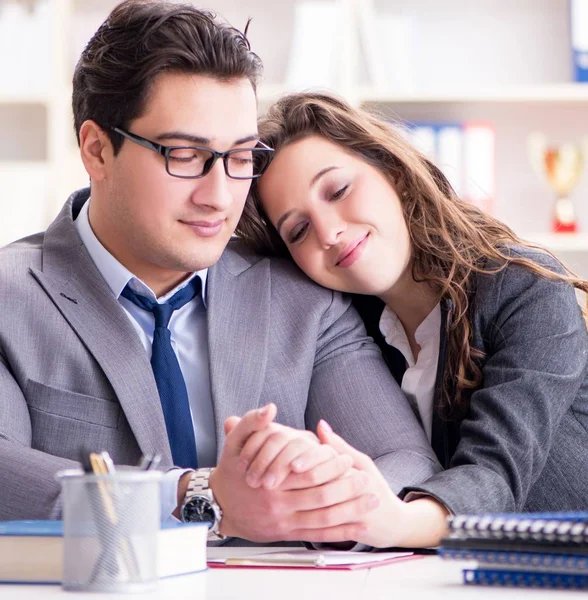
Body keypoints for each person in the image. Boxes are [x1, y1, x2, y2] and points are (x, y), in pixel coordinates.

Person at [0, 2, 444, 547]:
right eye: (185, 155)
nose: (219, 196)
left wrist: (312, 490)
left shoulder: (304, 301)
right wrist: (198, 495)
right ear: (97, 150)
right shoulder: (11, 296)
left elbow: (406, 461)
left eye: (239, 156)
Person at [236, 91, 588, 548]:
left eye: (338, 191)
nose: (329, 231)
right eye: (298, 229)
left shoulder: (523, 290)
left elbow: (495, 476)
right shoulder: (347, 333)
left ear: (395, 175)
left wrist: (388, 519)